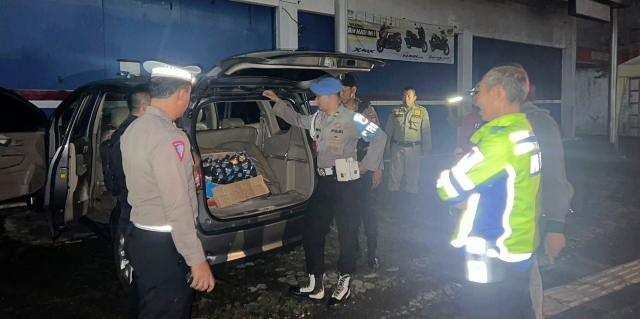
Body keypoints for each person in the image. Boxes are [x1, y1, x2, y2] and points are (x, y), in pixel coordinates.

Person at [262, 77, 386, 306]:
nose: (315, 100)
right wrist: (278, 101)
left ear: (329, 97)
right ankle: (315, 284)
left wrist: (366, 165)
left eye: (318, 96)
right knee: (311, 230)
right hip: (325, 183)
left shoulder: (353, 118)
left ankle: (344, 281)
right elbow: (297, 119)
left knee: (347, 233)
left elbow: (379, 137)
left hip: (346, 183)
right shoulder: (317, 118)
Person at [436, 65, 540, 319]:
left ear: (496, 92)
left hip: (492, 249)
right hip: (517, 245)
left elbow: (449, 188)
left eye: (478, 91)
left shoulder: (500, 141)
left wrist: (449, 173)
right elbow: (502, 184)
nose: (476, 99)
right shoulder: (523, 131)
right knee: (516, 308)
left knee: (482, 309)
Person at [120, 62, 215, 319]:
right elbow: (177, 204)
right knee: (170, 308)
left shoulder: (135, 128)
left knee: (148, 304)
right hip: (164, 244)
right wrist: (196, 259)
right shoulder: (168, 136)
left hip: (139, 235)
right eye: (189, 95)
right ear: (182, 94)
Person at [522, 83, 574, 319]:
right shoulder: (493, 123)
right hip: (494, 228)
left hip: (527, 224)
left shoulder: (539, 123)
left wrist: (555, 225)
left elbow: (554, 176)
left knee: (527, 291)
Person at [98, 84, 150, 318]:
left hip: (132, 203)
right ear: (146, 106)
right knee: (140, 266)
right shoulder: (132, 135)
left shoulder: (130, 132)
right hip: (135, 207)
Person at [339, 73, 383, 271]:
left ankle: (372, 253)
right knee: (348, 213)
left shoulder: (366, 111)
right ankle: (353, 250)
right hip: (344, 167)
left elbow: (378, 141)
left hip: (364, 167)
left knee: (368, 212)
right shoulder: (337, 111)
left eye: (344, 90)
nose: (340, 94)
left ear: (353, 90)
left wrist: (377, 168)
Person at [385, 86, 432, 210]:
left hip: (414, 148)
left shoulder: (422, 111)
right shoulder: (395, 110)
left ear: (415, 98)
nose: (406, 98)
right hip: (397, 147)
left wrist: (428, 150)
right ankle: (393, 203)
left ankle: (411, 204)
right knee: (394, 175)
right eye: (404, 96)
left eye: (409, 96)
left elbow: (426, 131)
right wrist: (387, 145)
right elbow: (389, 129)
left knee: (413, 176)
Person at [454, 85, 485, 160]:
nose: (474, 96)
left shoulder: (499, 119)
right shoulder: (468, 118)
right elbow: (462, 143)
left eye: (477, 93)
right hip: (470, 163)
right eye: (473, 94)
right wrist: (459, 154)